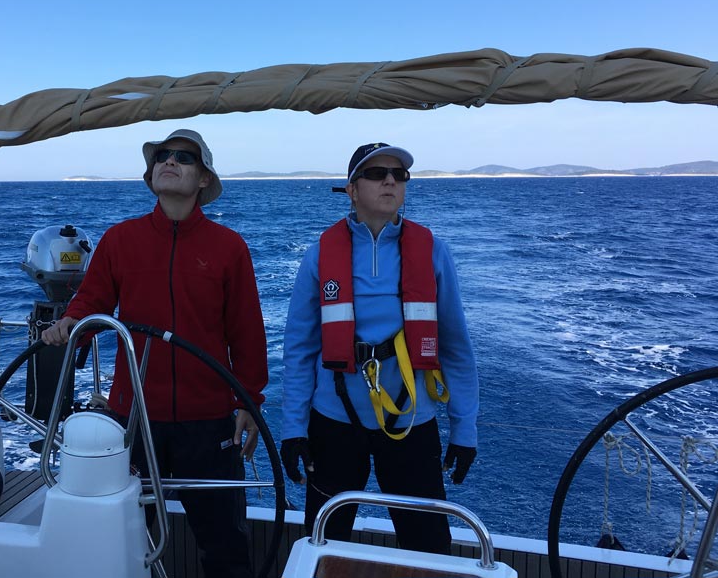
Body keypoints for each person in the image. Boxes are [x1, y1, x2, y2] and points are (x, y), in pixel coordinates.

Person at [42, 128, 268, 578]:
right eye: (162, 155)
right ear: (150, 175)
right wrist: (72, 324)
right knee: (122, 540)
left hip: (209, 423)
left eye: (184, 157)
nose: (170, 161)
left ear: (204, 178)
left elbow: (246, 332)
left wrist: (249, 401)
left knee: (225, 546)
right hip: (133, 420)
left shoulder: (229, 248)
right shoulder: (120, 240)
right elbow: (92, 301)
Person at [279, 141, 479, 555]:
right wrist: (294, 429)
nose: (390, 180)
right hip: (334, 422)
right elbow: (299, 349)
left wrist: (464, 429)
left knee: (428, 547)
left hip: (412, 421)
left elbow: (456, 347)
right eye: (376, 173)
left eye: (398, 175)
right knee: (324, 542)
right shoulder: (319, 256)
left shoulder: (433, 252)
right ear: (351, 190)